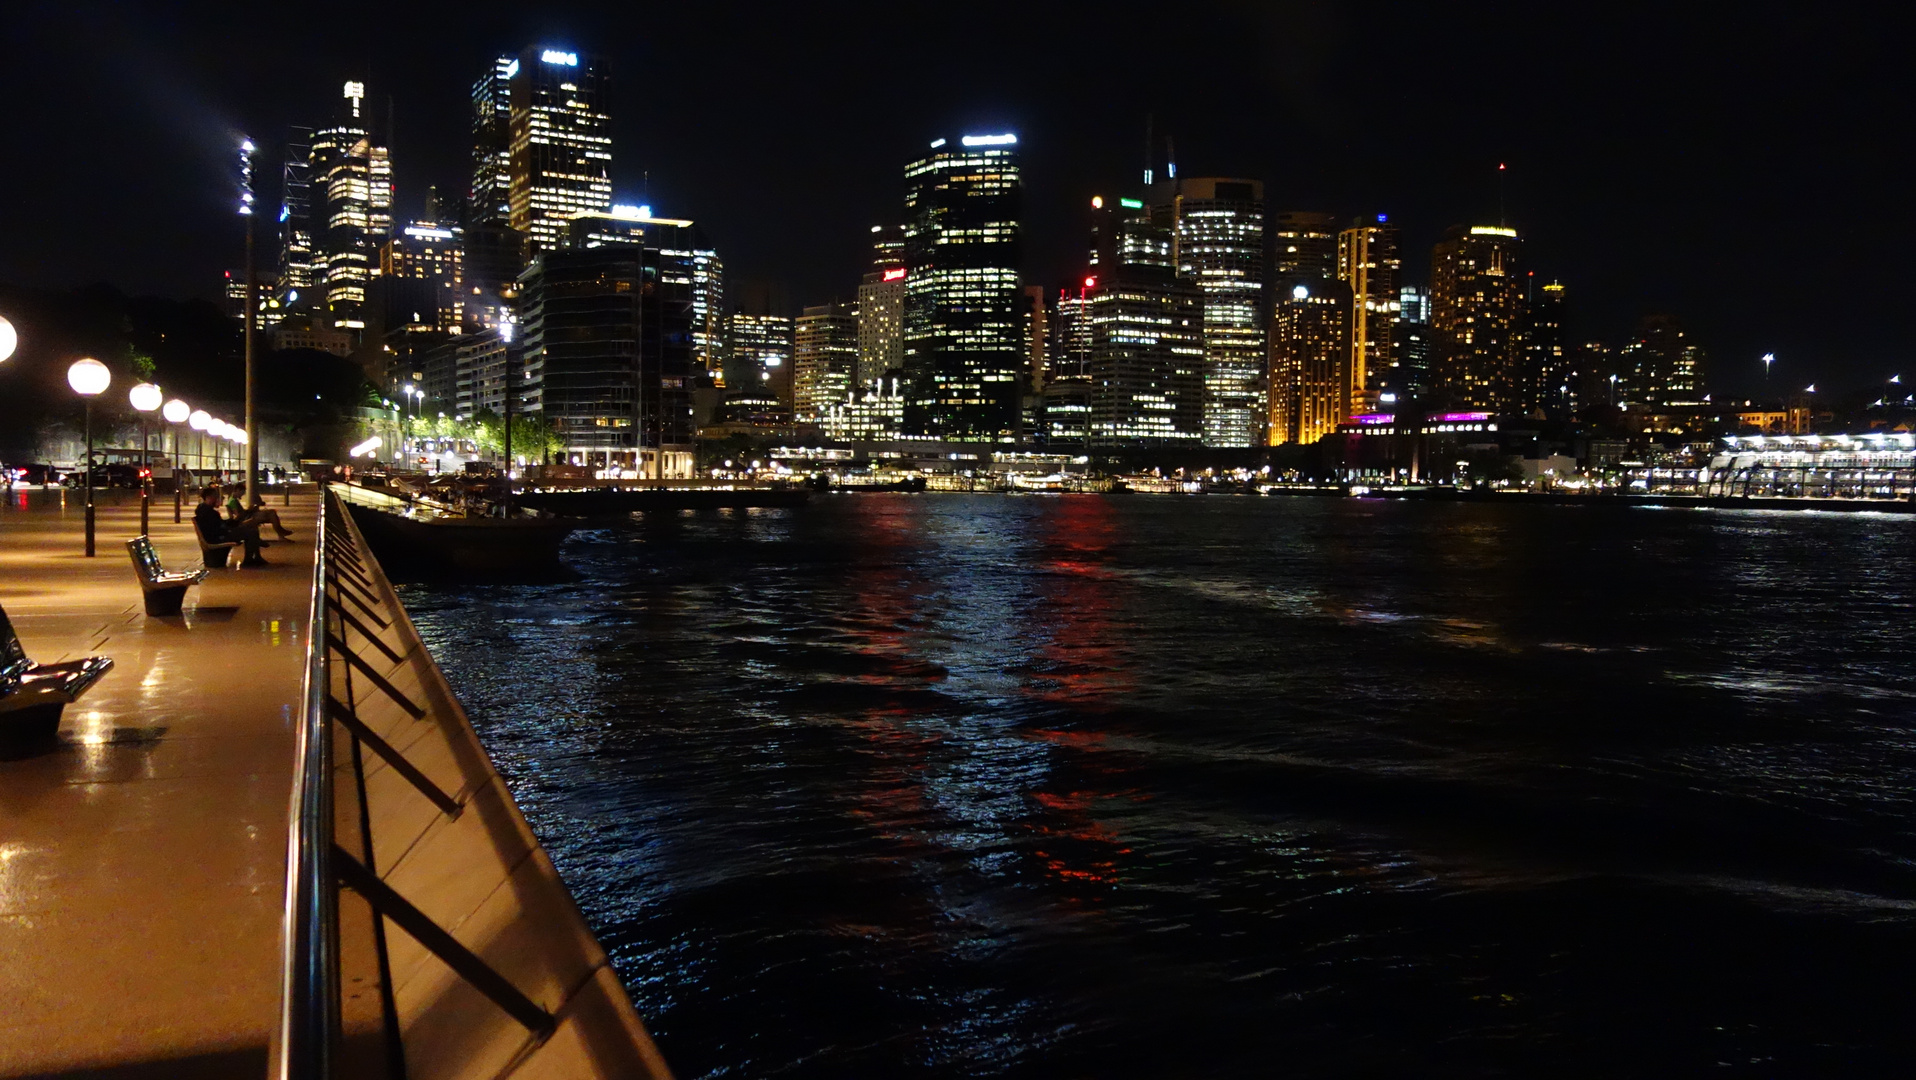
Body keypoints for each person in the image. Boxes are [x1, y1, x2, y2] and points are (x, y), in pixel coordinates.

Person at [195, 486, 264, 566]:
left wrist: (232, 523)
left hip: (217, 535)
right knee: (251, 532)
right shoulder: (209, 512)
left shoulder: (203, 510)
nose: (217, 499)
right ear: (208, 497)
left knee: (249, 530)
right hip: (218, 537)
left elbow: (218, 525)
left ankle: (254, 554)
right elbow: (218, 528)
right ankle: (249, 559)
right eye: (215, 497)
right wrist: (232, 526)